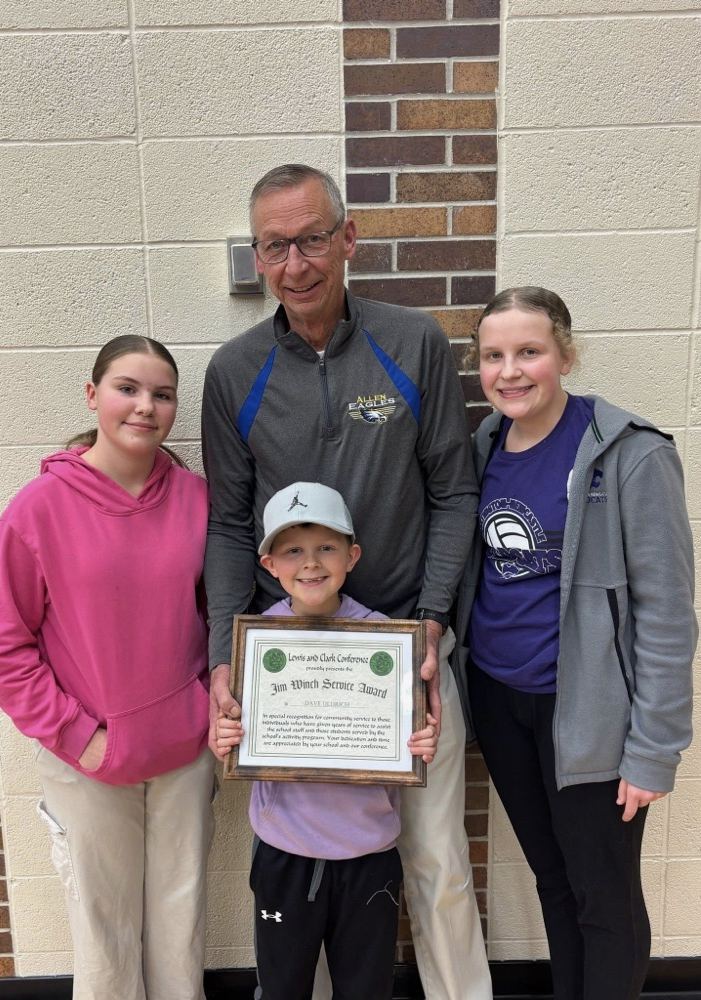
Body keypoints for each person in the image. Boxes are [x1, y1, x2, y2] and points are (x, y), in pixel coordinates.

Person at [202, 163, 492, 999]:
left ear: (348, 239)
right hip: (289, 668)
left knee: (436, 866)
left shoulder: (414, 344)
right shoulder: (234, 372)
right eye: (275, 246)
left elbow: (453, 490)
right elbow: (228, 522)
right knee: (305, 869)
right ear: (257, 259)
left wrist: (431, 623)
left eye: (312, 238)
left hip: (406, 650)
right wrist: (228, 657)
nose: (296, 263)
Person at [451, 287, 697, 999]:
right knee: (554, 882)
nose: (511, 371)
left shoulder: (631, 454)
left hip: (587, 717)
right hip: (502, 705)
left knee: (605, 900)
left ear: (565, 353)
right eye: (494, 355)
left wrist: (654, 747)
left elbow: (667, 612)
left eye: (529, 351)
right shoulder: (483, 448)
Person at [0, 335, 216, 1000]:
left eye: (161, 395)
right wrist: (82, 736)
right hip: (88, 759)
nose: (145, 407)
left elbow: (222, 617)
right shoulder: (39, 508)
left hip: (182, 755)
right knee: (104, 942)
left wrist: (205, 708)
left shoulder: (199, 500)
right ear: (92, 395)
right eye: (127, 389)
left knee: (180, 929)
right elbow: (2, 645)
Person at [217, 481, 439, 999]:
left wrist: (419, 743)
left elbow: (408, 735)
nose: (311, 563)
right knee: (282, 986)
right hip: (284, 851)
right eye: (293, 549)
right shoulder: (254, 644)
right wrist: (229, 737)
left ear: (351, 555)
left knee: (365, 989)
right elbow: (238, 735)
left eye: (326, 547)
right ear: (269, 564)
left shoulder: (386, 636)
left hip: (368, 852)